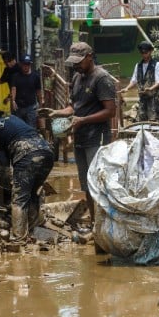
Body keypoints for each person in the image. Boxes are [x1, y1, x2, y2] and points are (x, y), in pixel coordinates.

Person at [45, 42, 117, 223]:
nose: (76, 65)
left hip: (98, 138)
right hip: (80, 138)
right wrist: (57, 113)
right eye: (74, 62)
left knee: (99, 183)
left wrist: (83, 120)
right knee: (86, 184)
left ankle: (106, 224)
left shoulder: (102, 78)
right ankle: (94, 224)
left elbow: (111, 111)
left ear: (90, 57)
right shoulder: (77, 78)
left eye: (79, 61)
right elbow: (73, 107)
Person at [0, 104, 54, 241]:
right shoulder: (12, 119)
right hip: (47, 152)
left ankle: (18, 238)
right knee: (32, 194)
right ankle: (35, 233)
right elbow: (4, 158)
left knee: (19, 198)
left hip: (27, 156)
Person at [120, 41, 159, 122]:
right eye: (142, 53)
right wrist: (127, 88)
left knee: (153, 121)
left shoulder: (156, 65)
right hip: (142, 99)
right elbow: (134, 80)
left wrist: (150, 88)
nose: (144, 54)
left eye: (145, 52)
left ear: (150, 51)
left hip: (153, 99)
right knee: (142, 121)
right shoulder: (138, 65)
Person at [9, 54, 43, 128]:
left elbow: (38, 92)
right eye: (24, 64)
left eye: (28, 64)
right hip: (18, 107)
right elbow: (13, 88)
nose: (26, 66)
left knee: (31, 128)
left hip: (31, 107)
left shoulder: (35, 76)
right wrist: (13, 101)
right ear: (21, 64)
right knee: (18, 128)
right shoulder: (15, 76)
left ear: (30, 64)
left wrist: (40, 105)